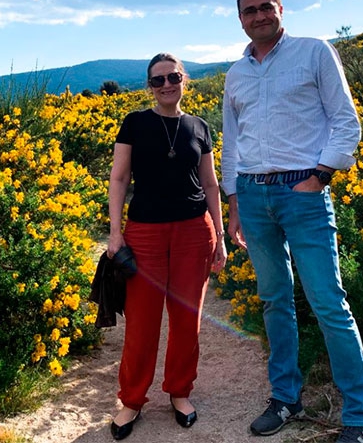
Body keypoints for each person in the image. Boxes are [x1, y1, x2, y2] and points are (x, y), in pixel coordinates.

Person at [220, 0, 363, 443]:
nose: (258, 16)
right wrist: (234, 204)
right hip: (252, 195)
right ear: (241, 19)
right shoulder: (236, 74)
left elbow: (346, 120)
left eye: (265, 7)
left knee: (329, 303)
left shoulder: (314, 52)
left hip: (303, 193)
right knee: (274, 301)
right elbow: (233, 144)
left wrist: (321, 176)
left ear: (280, 8)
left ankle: (361, 418)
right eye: (249, 11)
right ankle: (286, 398)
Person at [107, 53, 228, 440]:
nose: (166, 85)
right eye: (157, 80)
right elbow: (119, 178)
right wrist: (115, 232)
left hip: (195, 231)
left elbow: (210, 184)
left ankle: (180, 392)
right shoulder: (135, 123)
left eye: (173, 77)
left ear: (184, 79)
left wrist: (220, 238)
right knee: (141, 322)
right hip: (144, 233)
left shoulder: (199, 127)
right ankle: (131, 400)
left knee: (186, 320)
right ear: (149, 86)